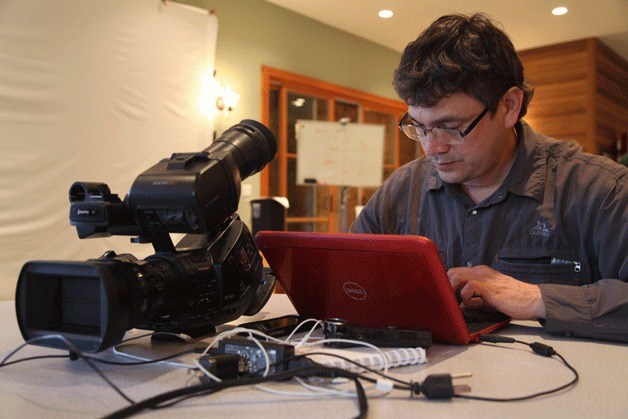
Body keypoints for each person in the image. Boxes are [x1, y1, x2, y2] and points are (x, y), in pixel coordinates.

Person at [350, 13, 627, 342]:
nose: (432, 148)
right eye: (419, 127)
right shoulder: (403, 189)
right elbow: (347, 281)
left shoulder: (600, 190)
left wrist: (535, 299)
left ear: (509, 106)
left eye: (451, 127)